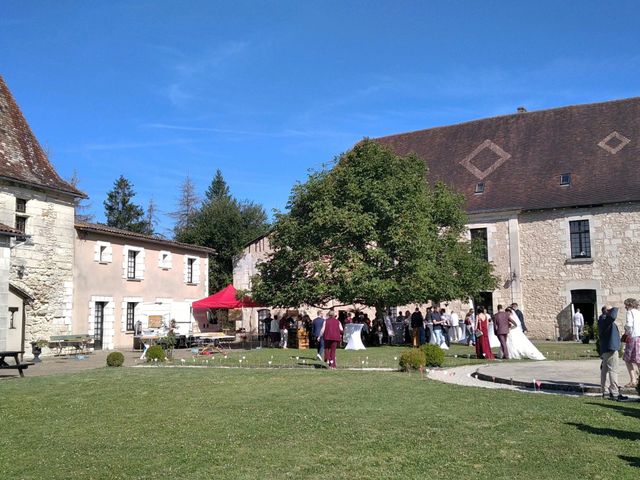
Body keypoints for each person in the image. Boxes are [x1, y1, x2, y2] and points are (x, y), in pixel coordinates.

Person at [598, 305, 628, 401]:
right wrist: (614, 308)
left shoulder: (602, 320)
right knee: (613, 370)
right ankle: (615, 392)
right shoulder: (606, 320)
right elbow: (613, 316)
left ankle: (605, 391)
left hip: (606, 348)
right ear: (607, 311)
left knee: (605, 370)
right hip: (610, 349)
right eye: (610, 310)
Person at [622, 298, 640, 388]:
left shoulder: (630, 312)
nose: (625, 307)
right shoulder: (638, 312)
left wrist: (626, 329)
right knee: (638, 360)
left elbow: (629, 325)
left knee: (627, 359)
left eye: (626, 305)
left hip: (633, 337)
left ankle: (633, 380)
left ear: (629, 305)